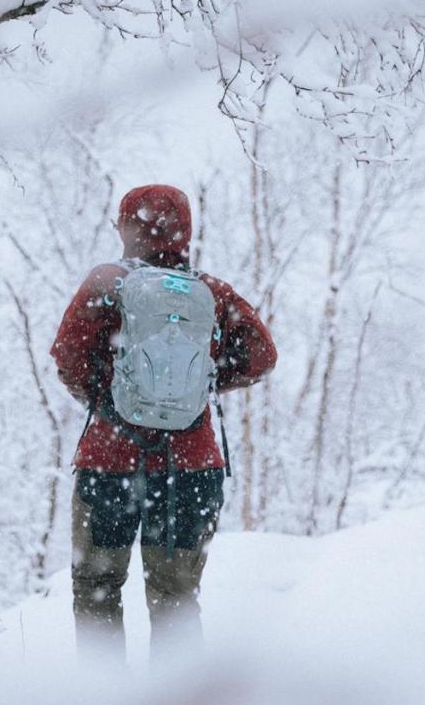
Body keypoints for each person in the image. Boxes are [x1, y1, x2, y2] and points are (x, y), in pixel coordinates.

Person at [50, 184, 277, 669]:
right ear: (185, 230)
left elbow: (67, 357)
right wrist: (203, 383)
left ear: (126, 227)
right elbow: (262, 356)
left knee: (96, 589)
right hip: (190, 472)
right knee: (175, 599)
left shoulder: (106, 283)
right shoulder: (211, 293)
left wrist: (111, 400)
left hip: (109, 466)